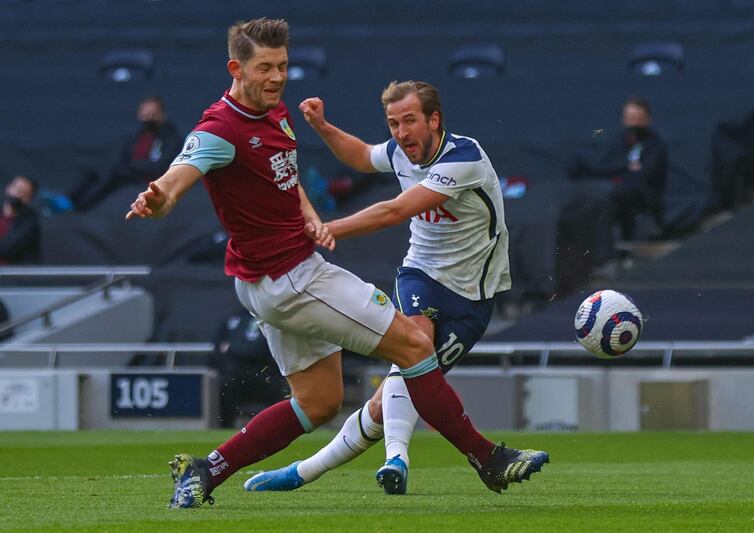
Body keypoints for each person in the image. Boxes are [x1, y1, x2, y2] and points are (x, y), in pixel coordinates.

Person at [125, 18, 547, 509]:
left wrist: (310, 214)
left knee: (319, 400)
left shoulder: (273, 111)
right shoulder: (220, 128)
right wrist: (161, 198)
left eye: (283, 65)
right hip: (294, 278)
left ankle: (206, 470)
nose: (277, 77)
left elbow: (286, 179)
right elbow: (181, 173)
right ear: (235, 68)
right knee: (414, 345)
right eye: (265, 67)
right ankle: (485, 457)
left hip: (263, 281)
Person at [243, 80, 545, 496]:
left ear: (434, 120)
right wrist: (323, 126)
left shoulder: (464, 158)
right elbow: (362, 156)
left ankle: (304, 471)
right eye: (393, 123)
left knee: (387, 401)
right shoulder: (399, 152)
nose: (401, 133)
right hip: (420, 274)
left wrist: (326, 229)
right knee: (414, 346)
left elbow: (396, 209)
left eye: (409, 121)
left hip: (471, 297)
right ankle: (396, 459)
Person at [568, 97, 668, 241]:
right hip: (612, 187)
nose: (634, 122)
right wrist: (625, 166)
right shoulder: (617, 141)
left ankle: (627, 239)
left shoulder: (656, 145)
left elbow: (646, 172)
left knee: (620, 194)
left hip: (643, 193)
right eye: (630, 118)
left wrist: (624, 170)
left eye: (638, 118)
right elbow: (604, 165)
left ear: (647, 119)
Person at [71, 95, 182, 210]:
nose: (148, 117)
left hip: (150, 176)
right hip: (133, 170)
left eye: (152, 113)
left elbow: (161, 164)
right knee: (96, 172)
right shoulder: (139, 135)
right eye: (145, 112)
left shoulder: (168, 136)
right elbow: (126, 155)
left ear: (161, 115)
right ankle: (71, 199)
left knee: (112, 176)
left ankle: (82, 206)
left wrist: (132, 166)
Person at [0, 175, 40, 264]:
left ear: (29, 199)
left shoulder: (29, 222)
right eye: (16, 189)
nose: (17, 194)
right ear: (8, 188)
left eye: (24, 193)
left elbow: (8, 248)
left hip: (13, 274)